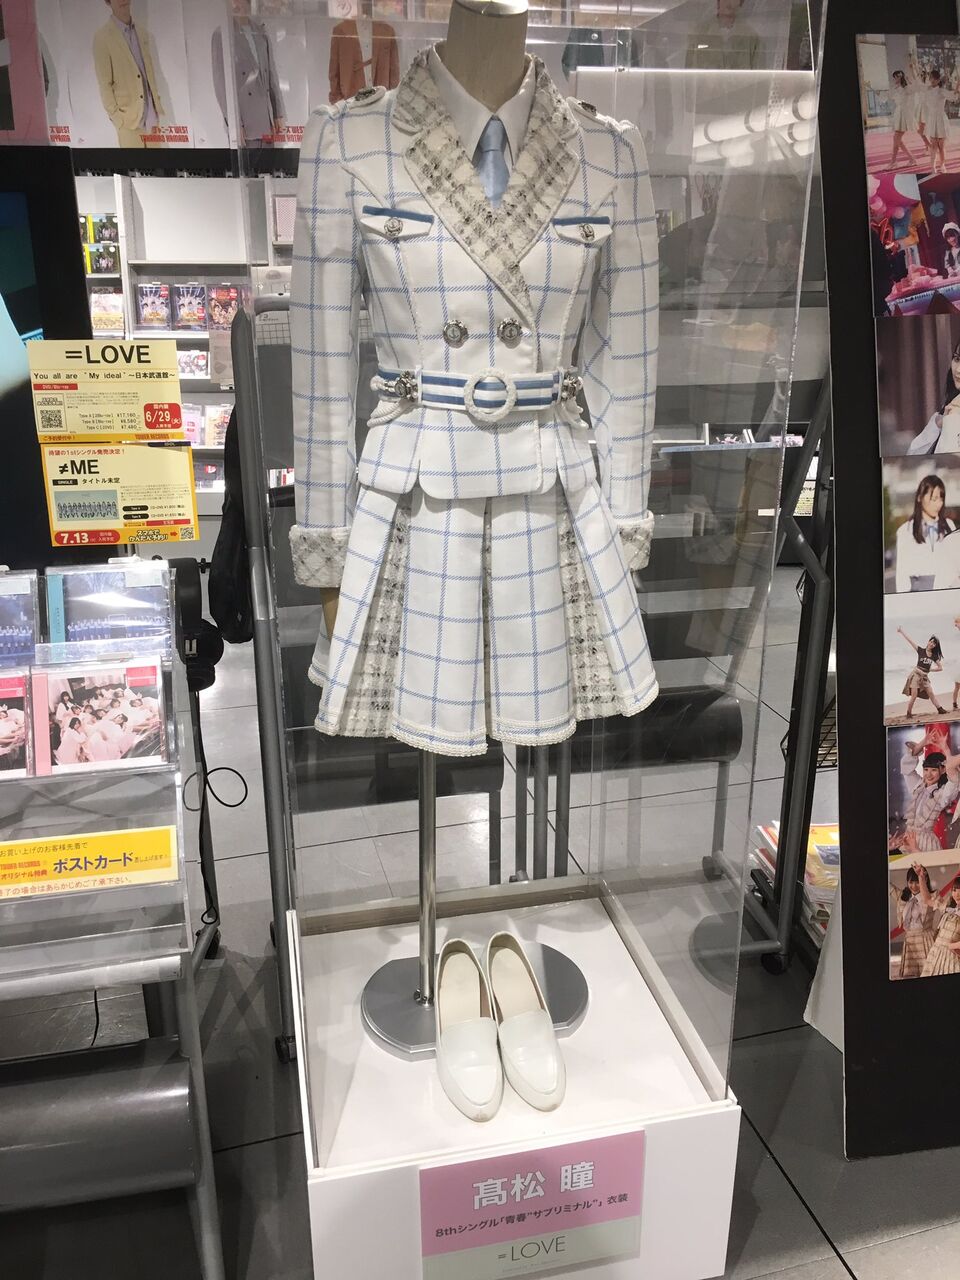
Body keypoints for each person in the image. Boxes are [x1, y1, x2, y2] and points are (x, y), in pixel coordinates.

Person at [92, 0, 165, 149]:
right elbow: (105, 85)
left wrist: (156, 105)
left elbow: (149, 73)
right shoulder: (102, 38)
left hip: (152, 119)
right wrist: (118, 119)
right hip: (129, 123)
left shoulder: (142, 33)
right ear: (108, 2)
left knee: (159, 163)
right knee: (133, 163)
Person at [212, 0, 286, 146]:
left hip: (266, 119)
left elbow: (271, 75)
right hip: (245, 123)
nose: (237, 4)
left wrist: (278, 113)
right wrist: (234, 122)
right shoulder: (222, 34)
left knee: (269, 159)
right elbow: (221, 84)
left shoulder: (260, 31)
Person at [894, 474, 956, 592]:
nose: (939, 504)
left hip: (946, 592)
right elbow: (902, 574)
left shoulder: (949, 526)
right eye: (934, 499)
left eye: (941, 499)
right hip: (919, 594)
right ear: (919, 497)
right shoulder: (905, 531)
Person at [895, 742, 960, 851]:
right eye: (926, 769)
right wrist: (923, 743)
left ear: (943, 770)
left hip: (925, 842)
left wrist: (945, 749)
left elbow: (954, 780)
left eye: (934, 770)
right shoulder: (918, 786)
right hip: (907, 839)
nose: (928, 774)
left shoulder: (942, 793)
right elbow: (906, 769)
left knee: (923, 862)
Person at [906, 338, 960, 454]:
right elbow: (912, 453)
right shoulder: (948, 409)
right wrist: (937, 425)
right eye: (957, 359)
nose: (958, 370)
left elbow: (950, 460)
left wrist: (952, 422)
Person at [891, 861, 939, 978]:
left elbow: (936, 904)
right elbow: (889, 887)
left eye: (917, 882)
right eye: (911, 882)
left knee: (929, 973)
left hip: (926, 939)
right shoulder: (903, 897)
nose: (914, 886)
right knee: (911, 977)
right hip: (910, 940)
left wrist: (921, 877)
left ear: (924, 880)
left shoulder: (933, 896)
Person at [685, 0, 761, 71]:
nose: (729, 1)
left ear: (740, 3)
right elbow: (689, 70)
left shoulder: (751, 37)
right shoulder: (699, 33)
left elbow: (758, 73)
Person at [897, 627, 947, 717]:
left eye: (934, 643)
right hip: (916, 675)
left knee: (931, 693)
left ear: (935, 646)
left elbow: (940, 668)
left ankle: (940, 709)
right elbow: (910, 641)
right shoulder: (921, 650)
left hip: (924, 677)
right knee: (914, 695)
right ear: (928, 642)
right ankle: (909, 713)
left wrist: (930, 670)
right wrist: (901, 632)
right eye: (931, 641)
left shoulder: (934, 656)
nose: (932, 644)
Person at [919, 874, 960, 975]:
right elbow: (927, 900)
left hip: (953, 959)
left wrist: (951, 945)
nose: (957, 894)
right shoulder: (948, 907)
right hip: (936, 954)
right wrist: (921, 878)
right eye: (954, 890)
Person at [921, 66, 960, 173]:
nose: (932, 80)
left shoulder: (942, 91)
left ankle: (942, 165)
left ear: (938, 80)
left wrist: (958, 85)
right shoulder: (927, 90)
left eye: (934, 78)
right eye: (930, 78)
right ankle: (932, 167)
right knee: (933, 144)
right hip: (932, 119)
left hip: (941, 119)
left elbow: (953, 97)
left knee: (941, 146)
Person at [888, 69, 921, 168]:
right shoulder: (895, 88)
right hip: (899, 113)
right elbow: (888, 96)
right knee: (897, 139)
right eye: (895, 77)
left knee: (896, 138)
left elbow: (916, 87)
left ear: (900, 77)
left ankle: (893, 161)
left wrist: (913, 75)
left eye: (897, 77)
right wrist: (878, 93)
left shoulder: (906, 88)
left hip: (904, 114)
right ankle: (911, 159)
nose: (895, 79)